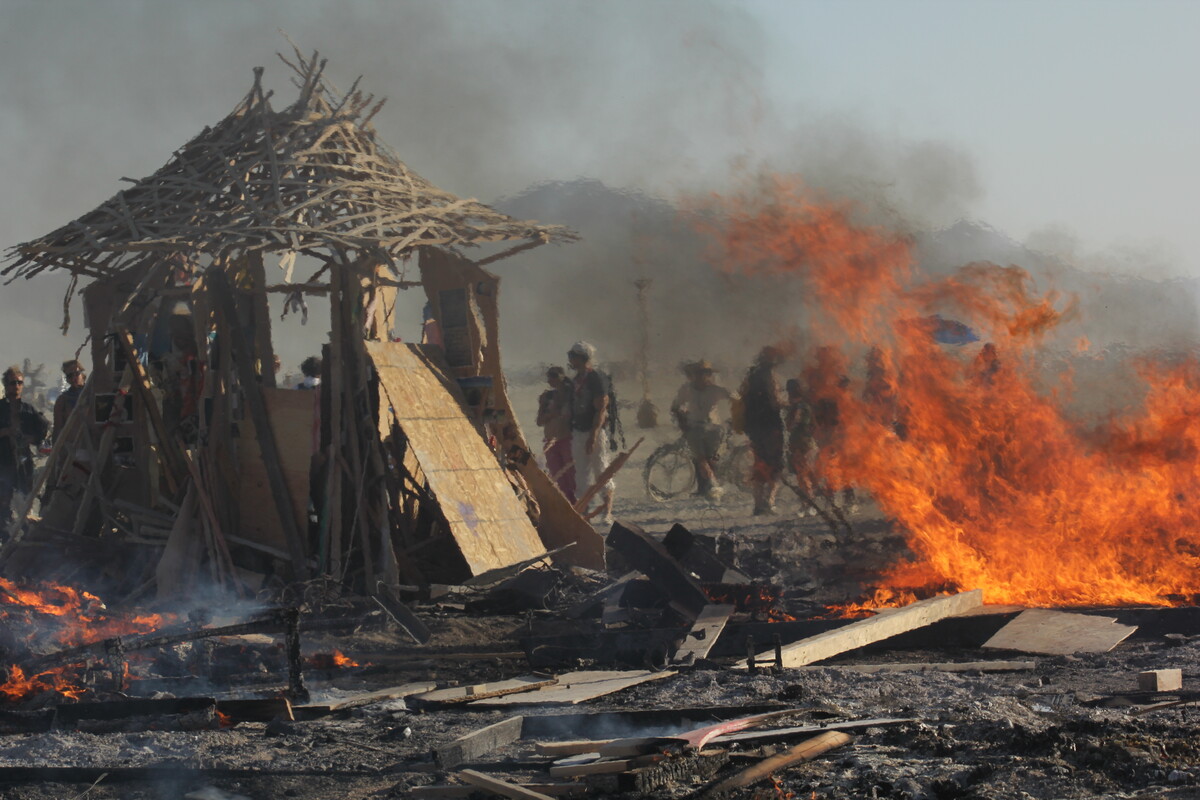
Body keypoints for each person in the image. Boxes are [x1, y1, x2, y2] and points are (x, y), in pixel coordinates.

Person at [670, 360, 731, 500]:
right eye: (698, 374)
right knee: (700, 458)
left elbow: (735, 398)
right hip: (694, 427)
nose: (701, 377)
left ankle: (706, 488)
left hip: (714, 428)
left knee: (710, 460)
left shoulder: (716, 389)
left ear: (709, 375)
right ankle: (712, 485)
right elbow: (675, 406)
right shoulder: (686, 389)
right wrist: (682, 421)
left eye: (705, 374)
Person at [567, 341, 614, 523]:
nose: (570, 360)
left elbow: (601, 408)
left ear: (582, 358)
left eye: (573, 356)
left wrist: (594, 435)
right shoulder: (576, 380)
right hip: (578, 431)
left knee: (601, 469)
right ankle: (585, 513)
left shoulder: (595, 378)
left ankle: (607, 511)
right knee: (581, 473)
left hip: (595, 431)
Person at [0, 366, 50, 525]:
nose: (16, 386)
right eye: (13, 383)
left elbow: (43, 426)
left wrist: (32, 438)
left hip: (23, 460)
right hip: (4, 460)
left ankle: (24, 532)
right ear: (6, 385)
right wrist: (6, 431)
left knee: (26, 498)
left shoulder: (28, 410)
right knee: (4, 499)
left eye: (19, 383)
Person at [741, 346, 785, 515]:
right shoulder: (770, 375)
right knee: (775, 466)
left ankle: (758, 505)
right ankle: (769, 502)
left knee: (759, 464)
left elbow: (742, 396)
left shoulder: (751, 375)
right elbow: (775, 401)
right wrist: (788, 403)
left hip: (754, 427)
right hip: (770, 426)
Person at [536, 366, 576, 502]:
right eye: (549, 376)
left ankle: (578, 503)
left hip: (567, 438)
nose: (551, 379)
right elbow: (539, 421)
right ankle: (569, 503)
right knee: (557, 475)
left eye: (554, 376)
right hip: (550, 439)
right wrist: (550, 413)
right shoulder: (547, 397)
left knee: (571, 475)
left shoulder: (571, 395)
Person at [785, 377, 817, 515]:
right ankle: (807, 504)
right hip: (804, 444)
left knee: (803, 476)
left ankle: (809, 505)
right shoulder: (804, 405)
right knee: (803, 475)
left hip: (802, 444)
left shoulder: (800, 407)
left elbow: (791, 425)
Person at [53, 359, 86, 443]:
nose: (74, 378)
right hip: (76, 446)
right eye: (70, 375)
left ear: (82, 374)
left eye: (76, 373)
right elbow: (57, 428)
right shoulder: (63, 400)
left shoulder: (93, 393)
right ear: (67, 379)